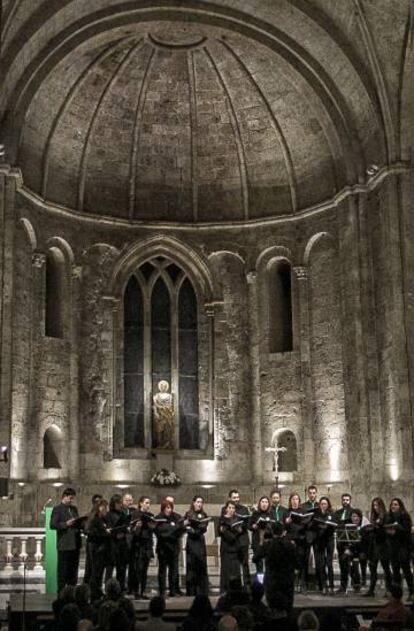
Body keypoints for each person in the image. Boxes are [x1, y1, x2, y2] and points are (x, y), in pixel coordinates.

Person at [255, 521, 297, 613]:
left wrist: (262, 542)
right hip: (287, 580)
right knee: (287, 608)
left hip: (272, 580)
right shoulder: (290, 545)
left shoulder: (268, 544)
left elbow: (255, 558)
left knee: (273, 608)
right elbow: (297, 563)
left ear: (272, 532)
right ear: (283, 532)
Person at [50, 487, 83, 594]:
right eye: (70, 498)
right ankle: (61, 593)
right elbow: (53, 524)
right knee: (63, 571)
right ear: (64, 496)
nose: (72, 500)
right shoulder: (57, 509)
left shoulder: (74, 509)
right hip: (64, 545)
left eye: (73, 498)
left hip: (75, 544)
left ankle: (72, 592)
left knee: (73, 572)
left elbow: (77, 522)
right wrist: (66, 524)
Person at [363, 497, 393, 597]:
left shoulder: (386, 516)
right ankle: (371, 590)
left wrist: (376, 527)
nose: (375, 508)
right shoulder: (374, 516)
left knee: (386, 568)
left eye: (377, 505)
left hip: (383, 545)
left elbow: (386, 530)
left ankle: (388, 590)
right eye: (374, 505)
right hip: (374, 545)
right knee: (372, 567)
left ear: (381, 506)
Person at [155, 498, 185, 597]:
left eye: (170, 508)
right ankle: (162, 591)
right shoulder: (158, 518)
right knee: (162, 571)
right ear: (163, 508)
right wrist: (173, 529)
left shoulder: (176, 517)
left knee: (174, 570)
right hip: (163, 548)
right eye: (167, 508)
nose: (169, 510)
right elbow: (161, 533)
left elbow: (180, 531)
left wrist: (172, 530)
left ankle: (173, 591)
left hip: (173, 548)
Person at [386, 497, 414, 599]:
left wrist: (397, 530)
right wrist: (389, 532)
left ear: (400, 506)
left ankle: (412, 592)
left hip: (403, 547)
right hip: (393, 548)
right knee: (395, 571)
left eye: (396, 504)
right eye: (392, 504)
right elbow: (388, 532)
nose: (393, 506)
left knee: (406, 571)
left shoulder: (405, 516)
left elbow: (407, 532)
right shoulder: (390, 517)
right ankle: (397, 595)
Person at [222, 490, 251, 590]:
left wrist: (241, 527)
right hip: (232, 542)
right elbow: (224, 524)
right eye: (234, 498)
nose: (237, 499)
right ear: (230, 498)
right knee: (234, 566)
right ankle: (234, 586)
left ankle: (247, 585)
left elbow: (247, 523)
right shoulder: (224, 509)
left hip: (243, 540)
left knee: (245, 564)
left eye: (238, 497)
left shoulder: (244, 509)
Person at [130, 495, 155, 599]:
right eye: (146, 502)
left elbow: (152, 529)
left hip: (147, 545)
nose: (148, 505)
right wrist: (137, 526)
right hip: (138, 545)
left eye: (149, 503)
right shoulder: (135, 514)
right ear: (140, 503)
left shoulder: (150, 515)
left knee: (144, 570)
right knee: (137, 569)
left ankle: (143, 591)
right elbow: (131, 530)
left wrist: (153, 525)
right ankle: (136, 591)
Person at [184, 495, 209, 596]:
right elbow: (185, 526)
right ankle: (191, 591)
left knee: (201, 566)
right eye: (198, 502)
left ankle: (201, 590)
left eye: (201, 502)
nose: (199, 504)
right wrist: (191, 529)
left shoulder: (204, 514)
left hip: (199, 541)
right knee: (191, 567)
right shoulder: (188, 514)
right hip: (191, 542)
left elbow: (204, 527)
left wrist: (197, 529)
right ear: (193, 503)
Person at [284, 492, 309, 593]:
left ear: (299, 501)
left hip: (301, 540)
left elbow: (306, 525)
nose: (295, 501)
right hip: (291, 540)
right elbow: (284, 528)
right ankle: (293, 584)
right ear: (290, 501)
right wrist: (286, 522)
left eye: (296, 499)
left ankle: (303, 584)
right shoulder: (287, 512)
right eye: (293, 499)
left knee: (302, 563)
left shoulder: (303, 511)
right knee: (291, 563)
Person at [88, 499, 111, 601]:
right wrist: (105, 533)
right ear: (100, 508)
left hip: (103, 549)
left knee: (100, 572)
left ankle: (98, 590)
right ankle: (94, 593)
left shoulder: (104, 519)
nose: (106, 509)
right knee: (95, 572)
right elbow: (92, 533)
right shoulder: (95, 519)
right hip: (96, 548)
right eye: (105, 507)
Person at [105, 494, 130, 591]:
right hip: (112, 545)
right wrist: (115, 535)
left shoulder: (123, 514)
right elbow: (107, 530)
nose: (121, 505)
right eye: (119, 503)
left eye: (121, 502)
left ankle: (121, 588)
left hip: (122, 545)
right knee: (110, 569)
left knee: (122, 569)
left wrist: (126, 530)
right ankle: (108, 589)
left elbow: (125, 526)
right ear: (114, 503)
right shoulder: (108, 515)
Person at [219, 500, 244, 593]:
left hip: (235, 548)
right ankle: (225, 590)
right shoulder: (222, 519)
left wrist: (235, 531)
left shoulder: (237, 519)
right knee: (226, 570)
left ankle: (236, 590)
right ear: (226, 509)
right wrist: (234, 532)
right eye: (229, 508)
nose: (231, 510)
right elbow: (222, 532)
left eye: (233, 508)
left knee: (235, 570)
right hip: (226, 548)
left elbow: (240, 530)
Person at [313, 496, 336, 594]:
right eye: (322, 504)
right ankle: (323, 586)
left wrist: (328, 526)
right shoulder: (317, 515)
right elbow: (314, 526)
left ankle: (331, 586)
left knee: (329, 564)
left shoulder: (331, 514)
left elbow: (335, 526)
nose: (323, 506)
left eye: (325, 504)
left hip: (329, 540)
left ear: (328, 505)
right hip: (320, 541)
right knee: (321, 564)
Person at [333, 492, 354, 594]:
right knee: (342, 565)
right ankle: (343, 586)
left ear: (350, 501)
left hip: (350, 541)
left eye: (347, 500)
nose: (345, 502)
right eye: (343, 500)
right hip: (340, 541)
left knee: (350, 564)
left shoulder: (353, 512)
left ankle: (355, 584)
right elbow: (335, 523)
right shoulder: (338, 513)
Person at [165, 494, 184, 595]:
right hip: (165, 546)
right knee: (164, 569)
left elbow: (181, 529)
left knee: (175, 568)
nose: (170, 505)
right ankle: (165, 589)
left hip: (175, 545)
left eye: (171, 503)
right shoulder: (162, 516)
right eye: (168, 503)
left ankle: (175, 588)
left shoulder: (177, 517)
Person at [301, 485, 319, 592]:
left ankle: (318, 583)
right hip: (307, 534)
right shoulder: (303, 506)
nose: (312, 495)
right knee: (305, 560)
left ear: (316, 494)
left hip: (317, 535)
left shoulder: (320, 505)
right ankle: (304, 583)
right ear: (307, 494)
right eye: (310, 493)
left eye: (314, 493)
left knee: (318, 560)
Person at [249, 495, 273, 575]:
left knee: (269, 565)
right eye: (262, 502)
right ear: (260, 503)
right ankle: (260, 584)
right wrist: (254, 526)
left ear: (268, 504)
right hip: (257, 542)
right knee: (259, 566)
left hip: (268, 542)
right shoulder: (255, 514)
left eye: (266, 502)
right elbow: (249, 526)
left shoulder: (271, 514)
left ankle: (268, 585)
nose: (264, 504)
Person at [83, 493, 103, 585]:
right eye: (97, 502)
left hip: (99, 544)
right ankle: (90, 587)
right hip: (93, 544)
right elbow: (86, 530)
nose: (99, 504)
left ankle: (96, 587)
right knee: (91, 567)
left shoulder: (101, 515)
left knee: (98, 568)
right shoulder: (91, 515)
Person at [153, 380, 175, 449]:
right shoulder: (156, 396)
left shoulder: (169, 396)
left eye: (164, 386)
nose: (163, 387)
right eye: (161, 386)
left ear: (166, 387)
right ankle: (160, 444)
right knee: (159, 430)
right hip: (160, 416)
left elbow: (171, 406)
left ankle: (167, 444)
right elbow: (154, 406)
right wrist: (156, 413)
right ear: (159, 387)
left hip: (168, 415)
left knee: (168, 430)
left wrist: (172, 413)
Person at [120, 492, 135, 594]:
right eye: (126, 500)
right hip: (123, 542)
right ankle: (121, 586)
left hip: (133, 541)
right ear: (122, 501)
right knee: (122, 567)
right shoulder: (120, 512)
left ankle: (131, 587)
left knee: (133, 567)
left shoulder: (134, 511)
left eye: (130, 500)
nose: (128, 502)